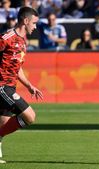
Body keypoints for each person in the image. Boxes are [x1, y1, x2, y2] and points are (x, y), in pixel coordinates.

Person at [0, 6, 43, 164]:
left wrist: (29, 86)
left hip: (10, 86)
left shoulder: (22, 42)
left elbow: (16, 68)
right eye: (34, 23)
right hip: (2, 86)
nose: (35, 26)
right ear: (25, 21)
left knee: (4, 125)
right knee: (30, 116)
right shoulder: (7, 37)